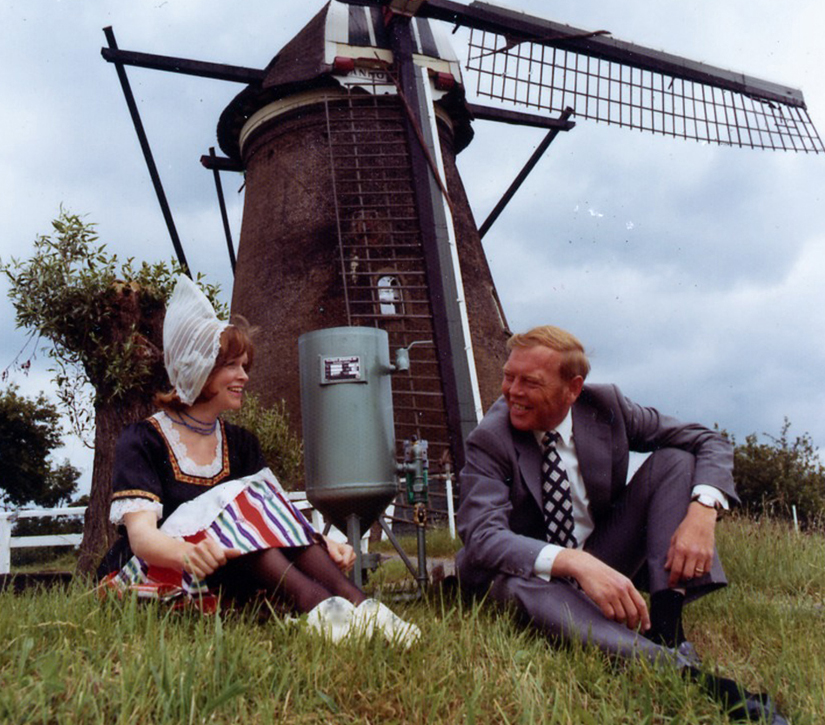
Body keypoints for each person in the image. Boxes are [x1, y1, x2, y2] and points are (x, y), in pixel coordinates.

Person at [456, 325, 786, 723]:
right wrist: (574, 563)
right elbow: (482, 536)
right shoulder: (490, 438)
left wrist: (703, 511)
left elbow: (706, 440)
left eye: (530, 382)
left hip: (598, 552)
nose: (511, 391)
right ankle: (689, 676)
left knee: (675, 460)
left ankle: (667, 630)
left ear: (573, 389)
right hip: (528, 573)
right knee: (515, 581)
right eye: (509, 376)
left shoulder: (606, 406)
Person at [98, 275, 419, 646]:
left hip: (227, 568)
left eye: (245, 365)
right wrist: (189, 552)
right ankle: (321, 606)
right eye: (232, 366)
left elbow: (274, 518)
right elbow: (142, 539)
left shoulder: (240, 443)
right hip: (159, 572)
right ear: (199, 371)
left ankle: (357, 606)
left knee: (251, 515)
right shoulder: (144, 439)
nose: (244, 377)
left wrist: (323, 545)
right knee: (240, 510)